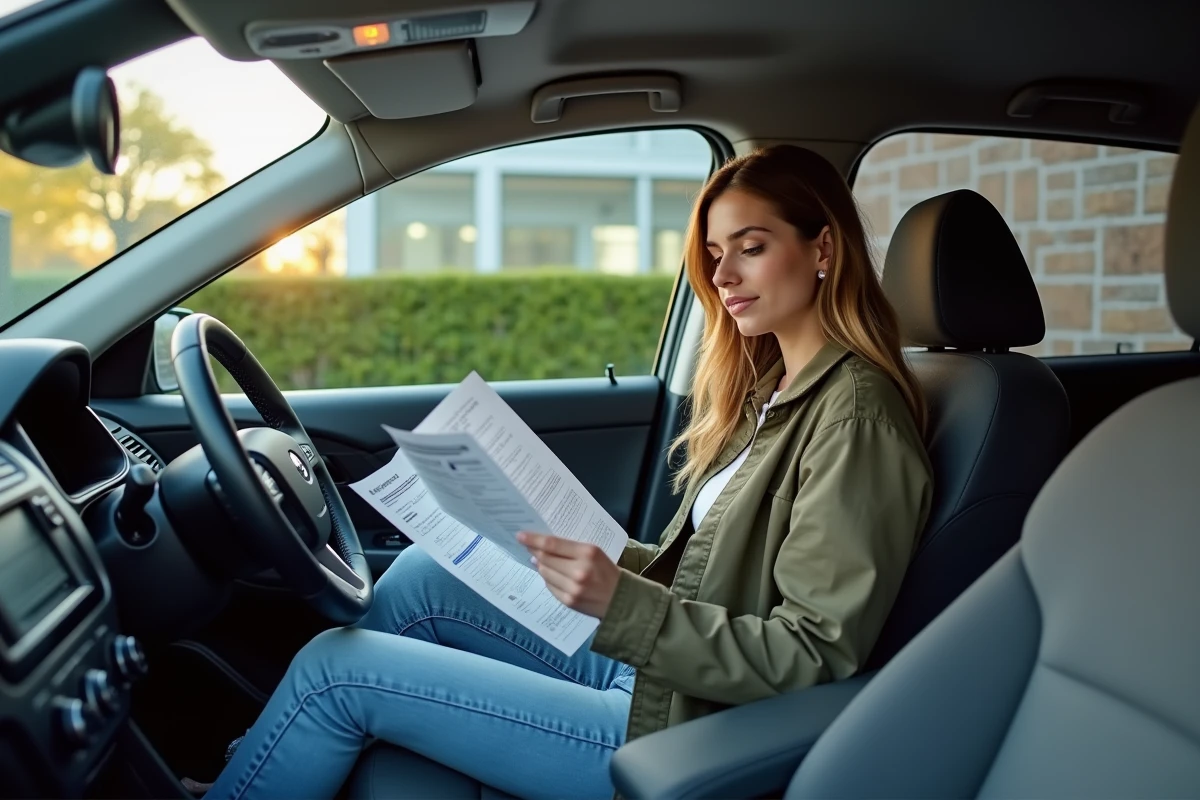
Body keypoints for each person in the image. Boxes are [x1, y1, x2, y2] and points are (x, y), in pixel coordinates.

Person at [200, 145, 934, 800]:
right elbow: (714, 574)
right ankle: (267, 763)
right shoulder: (773, 390)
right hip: (659, 676)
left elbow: (812, 655)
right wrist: (585, 551)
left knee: (338, 669)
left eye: (751, 247)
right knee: (426, 575)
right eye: (713, 252)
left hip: (678, 729)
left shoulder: (854, 419)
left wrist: (620, 604)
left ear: (822, 248)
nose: (722, 275)